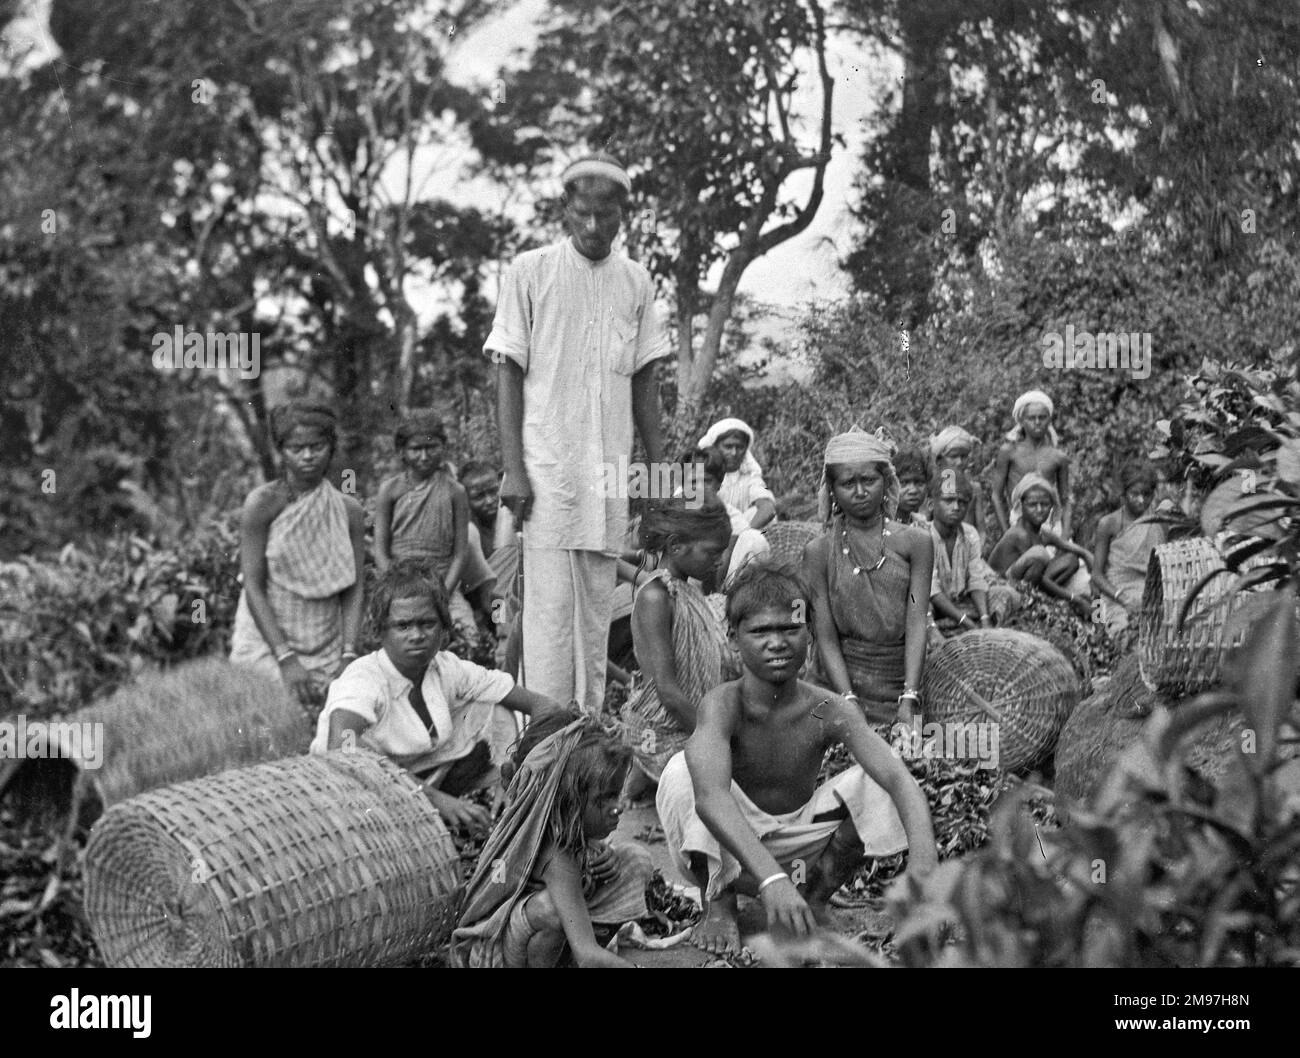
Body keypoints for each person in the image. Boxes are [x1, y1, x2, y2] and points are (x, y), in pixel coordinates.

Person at [656, 564, 939, 956]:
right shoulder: (724, 705)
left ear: (808, 633)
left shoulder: (825, 707)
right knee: (682, 770)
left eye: (790, 629)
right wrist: (772, 880)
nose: (777, 643)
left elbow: (896, 778)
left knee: (877, 781)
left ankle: (814, 898)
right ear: (734, 640)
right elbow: (710, 799)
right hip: (727, 846)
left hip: (798, 846)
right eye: (760, 632)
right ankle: (719, 904)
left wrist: (924, 861)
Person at [486, 153, 669, 714]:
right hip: (546, 474)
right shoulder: (531, 271)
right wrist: (513, 468)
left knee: (594, 616)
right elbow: (507, 372)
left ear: (624, 216)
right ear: (565, 210)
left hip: (607, 477)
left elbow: (645, 383)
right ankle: (540, 750)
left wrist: (657, 474)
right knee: (545, 620)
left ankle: (586, 741)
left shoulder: (636, 282)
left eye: (606, 216)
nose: (593, 228)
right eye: (583, 214)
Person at [311, 560, 560, 833]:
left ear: (443, 628)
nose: (417, 635)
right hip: (352, 790)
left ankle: (492, 797)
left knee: (494, 706)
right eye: (403, 626)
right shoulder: (364, 678)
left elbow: (542, 706)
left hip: (414, 779)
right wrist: (436, 800)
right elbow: (342, 746)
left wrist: (516, 769)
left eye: (427, 624)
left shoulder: (446, 668)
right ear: (380, 631)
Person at [452, 711, 653, 968]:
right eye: (606, 798)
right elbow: (587, 953)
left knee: (633, 859)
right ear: (568, 802)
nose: (618, 807)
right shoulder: (557, 859)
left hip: (527, 937)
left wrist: (600, 852)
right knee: (552, 909)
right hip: (493, 954)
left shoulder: (556, 831)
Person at [230, 401, 365, 712]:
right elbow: (252, 584)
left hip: (328, 643)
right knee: (268, 721)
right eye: (296, 448)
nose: (307, 456)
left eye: (316, 446)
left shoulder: (348, 511)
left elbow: (354, 587)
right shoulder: (262, 504)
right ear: (281, 451)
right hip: (268, 641)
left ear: (331, 448)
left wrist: (349, 654)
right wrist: (285, 657)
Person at [801, 429, 933, 725]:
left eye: (869, 481)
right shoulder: (818, 552)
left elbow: (916, 620)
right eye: (848, 483)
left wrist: (910, 696)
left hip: (899, 680)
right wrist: (848, 700)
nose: (860, 492)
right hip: (836, 683)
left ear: (886, 482)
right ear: (832, 490)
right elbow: (825, 635)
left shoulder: (917, 543)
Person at [622, 498, 735, 782]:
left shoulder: (686, 590)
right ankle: (637, 779)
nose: (719, 560)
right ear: (675, 546)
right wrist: (715, 738)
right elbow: (668, 692)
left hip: (688, 719)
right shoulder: (656, 596)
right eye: (711, 552)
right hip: (662, 727)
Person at [374, 410, 475, 637]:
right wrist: (397, 587)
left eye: (431, 448)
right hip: (397, 584)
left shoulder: (455, 491)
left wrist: (443, 595)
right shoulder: (390, 490)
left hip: (443, 583)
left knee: (469, 635)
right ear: (402, 452)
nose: (424, 456)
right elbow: (380, 551)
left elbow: (460, 554)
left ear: (443, 447)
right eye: (415, 449)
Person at [927, 469, 1019, 636]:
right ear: (931, 505)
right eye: (948, 501)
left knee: (1007, 595)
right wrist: (966, 622)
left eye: (962, 502)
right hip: (934, 604)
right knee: (920, 607)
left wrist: (984, 617)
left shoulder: (969, 534)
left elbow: (976, 579)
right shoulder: (922, 535)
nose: (956, 507)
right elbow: (931, 590)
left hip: (961, 602)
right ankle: (951, 629)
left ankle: (977, 627)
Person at [988, 473, 1093, 617]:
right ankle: (1032, 601)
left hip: (1029, 580)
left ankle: (1046, 596)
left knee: (1071, 559)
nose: (1039, 510)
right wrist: (1074, 598)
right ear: (1020, 506)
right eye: (1032, 505)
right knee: (1038, 554)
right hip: (1004, 584)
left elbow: (1072, 548)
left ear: (1051, 506)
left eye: (1045, 504)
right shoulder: (1019, 535)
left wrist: (1087, 556)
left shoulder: (1042, 532)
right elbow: (1041, 579)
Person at [1091, 461, 1167, 637]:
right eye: (1135, 494)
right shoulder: (1109, 524)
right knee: (1127, 635)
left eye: (1146, 494)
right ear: (1124, 494)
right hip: (1117, 597)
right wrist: (1124, 600)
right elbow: (1096, 576)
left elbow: (1164, 569)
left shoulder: (1159, 523)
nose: (1141, 500)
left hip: (1152, 596)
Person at [680, 447, 771, 585]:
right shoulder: (674, 510)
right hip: (678, 580)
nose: (700, 488)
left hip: (717, 580)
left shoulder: (731, 516)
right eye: (693, 482)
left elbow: (723, 561)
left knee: (754, 538)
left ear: (719, 484)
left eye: (707, 481)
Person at [991, 390, 1072, 541]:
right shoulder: (1009, 452)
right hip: (1018, 523)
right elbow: (996, 496)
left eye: (1042, 417)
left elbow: (1065, 499)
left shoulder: (1058, 457)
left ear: (1049, 420)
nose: (1037, 422)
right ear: (1021, 421)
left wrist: (1065, 535)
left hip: (1051, 525)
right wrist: (1006, 534)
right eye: (1031, 418)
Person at [698, 417, 777, 530]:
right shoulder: (700, 473)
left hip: (740, 534)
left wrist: (744, 535)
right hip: (705, 533)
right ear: (714, 447)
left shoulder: (751, 477)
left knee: (761, 515)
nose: (734, 453)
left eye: (740, 447)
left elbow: (768, 508)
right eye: (728, 447)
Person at [928, 425, 986, 537]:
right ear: (940, 460)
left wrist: (977, 547)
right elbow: (923, 522)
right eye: (953, 456)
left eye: (964, 456)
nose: (959, 462)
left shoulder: (974, 488)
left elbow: (981, 530)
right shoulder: (932, 487)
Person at [893, 446, 930, 526]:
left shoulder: (921, 524)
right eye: (904, 483)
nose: (913, 491)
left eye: (919, 482)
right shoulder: (880, 526)